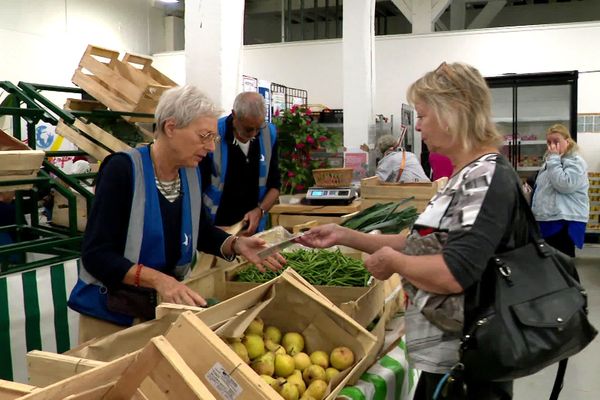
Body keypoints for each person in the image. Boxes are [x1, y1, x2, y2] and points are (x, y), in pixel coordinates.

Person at [297, 62, 529, 399]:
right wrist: (346, 236)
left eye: (422, 116)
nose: (418, 127)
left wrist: (392, 261)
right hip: (447, 360)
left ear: (453, 113)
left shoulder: (485, 179)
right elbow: (423, 244)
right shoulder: (466, 176)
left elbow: (454, 272)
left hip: (468, 365)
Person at [68, 85, 285, 343]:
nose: (211, 148)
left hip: (157, 311)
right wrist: (159, 280)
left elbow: (199, 230)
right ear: (171, 128)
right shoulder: (123, 170)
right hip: (112, 318)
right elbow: (96, 255)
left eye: (213, 138)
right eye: (203, 136)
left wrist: (236, 244)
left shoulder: (190, 172)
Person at [201, 92, 280, 236]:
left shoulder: (269, 134)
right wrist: (207, 227)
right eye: (249, 129)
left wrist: (260, 211)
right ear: (234, 115)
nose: (254, 134)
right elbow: (195, 189)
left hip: (252, 230)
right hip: (215, 228)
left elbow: (274, 185)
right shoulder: (212, 134)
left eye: (259, 127)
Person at [531, 124, 589, 259]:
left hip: (564, 222)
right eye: (549, 142)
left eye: (556, 141)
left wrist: (553, 159)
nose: (552, 146)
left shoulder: (576, 161)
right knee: (549, 268)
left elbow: (565, 184)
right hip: (548, 219)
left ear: (567, 142)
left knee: (562, 267)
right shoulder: (550, 163)